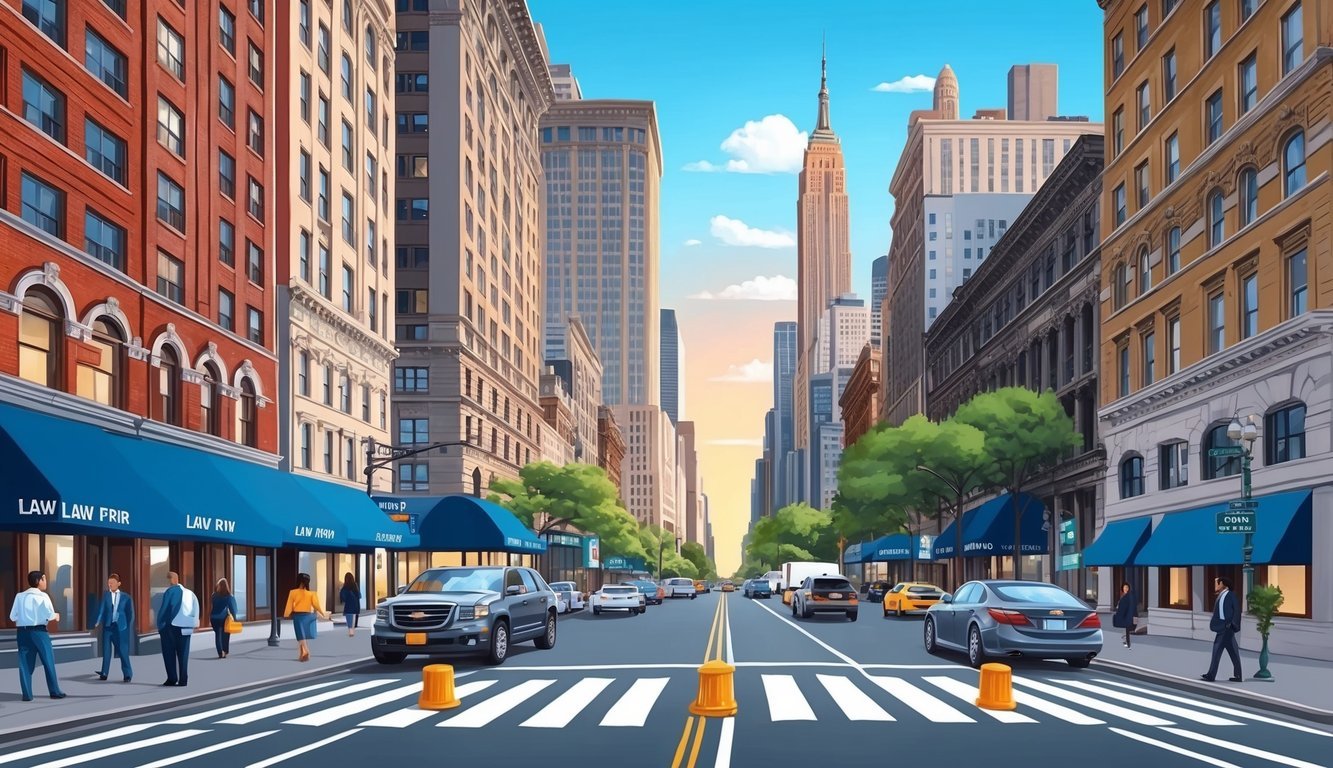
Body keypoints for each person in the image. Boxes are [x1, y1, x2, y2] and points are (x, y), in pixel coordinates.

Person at [9, 571, 65, 701]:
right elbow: (50, 615)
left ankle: (27, 694)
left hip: (22, 632)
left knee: (25, 663)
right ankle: (54, 691)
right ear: (39, 581)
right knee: (48, 661)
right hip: (40, 632)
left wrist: (24, 617)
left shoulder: (19, 596)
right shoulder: (43, 596)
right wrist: (56, 616)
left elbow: (12, 616)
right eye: (44, 579)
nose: (45, 582)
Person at [157, 571, 199, 686]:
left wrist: (159, 625)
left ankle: (172, 678)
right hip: (186, 626)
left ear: (169, 580)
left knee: (169, 653)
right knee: (183, 653)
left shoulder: (169, 592)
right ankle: (183, 679)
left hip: (170, 627)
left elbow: (164, 610)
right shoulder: (189, 593)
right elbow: (195, 608)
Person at [93, 573, 134, 681]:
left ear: (118, 584)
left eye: (112, 583)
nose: (110, 585)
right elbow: (102, 609)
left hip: (120, 628)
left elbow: (130, 613)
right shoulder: (106, 595)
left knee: (122, 651)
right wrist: (98, 621)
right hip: (107, 626)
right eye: (109, 583)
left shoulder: (126, 597)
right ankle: (104, 673)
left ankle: (127, 674)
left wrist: (125, 625)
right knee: (106, 651)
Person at [1203, 576, 1243, 682]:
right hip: (1221, 627)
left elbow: (1237, 611)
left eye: (1217, 583)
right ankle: (1238, 676)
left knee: (1217, 650)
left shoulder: (1231, 595)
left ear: (1222, 584)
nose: (1215, 585)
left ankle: (1211, 675)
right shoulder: (1220, 596)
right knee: (1233, 652)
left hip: (1227, 628)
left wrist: (1233, 625)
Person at [284, 573, 330, 662]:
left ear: (298, 581)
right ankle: (301, 655)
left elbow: (289, 606)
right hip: (309, 616)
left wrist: (287, 615)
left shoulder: (293, 592)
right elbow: (316, 605)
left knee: (300, 636)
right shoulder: (312, 593)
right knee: (302, 634)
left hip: (298, 616)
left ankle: (306, 651)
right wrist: (322, 614)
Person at [210, 578, 239, 659]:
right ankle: (225, 651)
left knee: (217, 635)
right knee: (225, 635)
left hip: (213, 618)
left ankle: (220, 652)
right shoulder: (229, 596)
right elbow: (233, 609)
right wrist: (235, 618)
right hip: (223, 618)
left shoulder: (213, 595)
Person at [1112, 582, 1137, 648]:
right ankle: (1126, 643)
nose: (1125, 589)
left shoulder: (1128, 596)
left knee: (1126, 630)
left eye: (1127, 587)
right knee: (1126, 630)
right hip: (1124, 615)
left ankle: (1127, 644)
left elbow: (1129, 606)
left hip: (1126, 615)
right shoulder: (1124, 596)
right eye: (1124, 587)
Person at [339, 573, 361, 638]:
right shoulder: (355, 585)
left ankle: (351, 631)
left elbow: (343, 597)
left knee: (349, 619)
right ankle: (353, 630)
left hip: (349, 606)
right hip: (356, 606)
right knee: (354, 618)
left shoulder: (345, 587)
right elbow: (359, 595)